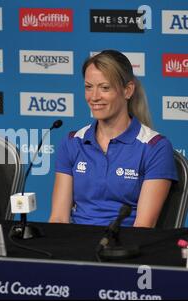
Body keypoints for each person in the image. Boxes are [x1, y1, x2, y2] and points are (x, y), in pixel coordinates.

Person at [49, 49, 178, 228]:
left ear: (128, 90)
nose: (94, 97)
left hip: (125, 249)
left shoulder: (155, 147)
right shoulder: (72, 142)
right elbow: (58, 219)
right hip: (74, 245)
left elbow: (143, 227)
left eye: (105, 88)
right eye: (88, 87)